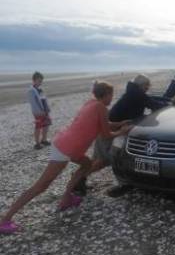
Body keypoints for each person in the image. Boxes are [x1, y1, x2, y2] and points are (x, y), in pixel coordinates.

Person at [0, 82, 132, 234]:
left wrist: (120, 123)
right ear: (106, 94)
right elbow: (106, 134)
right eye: (111, 95)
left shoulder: (92, 103)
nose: (112, 98)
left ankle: (67, 198)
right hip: (66, 147)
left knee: (87, 164)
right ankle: (5, 220)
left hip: (68, 143)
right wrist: (122, 131)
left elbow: (104, 124)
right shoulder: (101, 107)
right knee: (41, 185)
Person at [74, 74, 167, 197]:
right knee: (104, 160)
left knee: (98, 160)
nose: (147, 88)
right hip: (109, 131)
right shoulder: (136, 94)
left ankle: (79, 178)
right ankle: (78, 179)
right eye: (146, 86)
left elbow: (150, 99)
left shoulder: (133, 91)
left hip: (107, 128)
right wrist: (171, 104)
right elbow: (153, 104)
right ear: (141, 86)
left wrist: (166, 100)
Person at [28, 71, 52, 149]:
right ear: (34, 80)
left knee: (46, 125)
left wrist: (47, 109)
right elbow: (33, 103)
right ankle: (37, 143)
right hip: (38, 113)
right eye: (39, 81)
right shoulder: (31, 91)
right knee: (38, 127)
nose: (40, 82)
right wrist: (39, 112)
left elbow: (44, 100)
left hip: (45, 112)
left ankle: (44, 140)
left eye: (41, 81)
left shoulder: (40, 90)